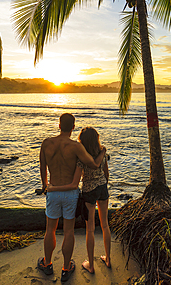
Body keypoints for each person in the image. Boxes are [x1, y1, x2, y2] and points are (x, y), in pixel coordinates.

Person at [37, 113, 105, 282]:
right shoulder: (75, 147)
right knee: (68, 231)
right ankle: (66, 268)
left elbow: (42, 167)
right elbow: (94, 164)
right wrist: (103, 152)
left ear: (59, 125)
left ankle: (47, 264)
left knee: (50, 230)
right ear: (73, 127)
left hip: (53, 191)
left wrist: (46, 186)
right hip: (70, 194)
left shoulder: (46, 143)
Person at [48, 126, 111, 274]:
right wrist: (102, 184)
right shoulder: (103, 153)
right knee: (105, 225)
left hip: (89, 191)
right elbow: (106, 174)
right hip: (102, 188)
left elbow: (75, 180)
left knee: (90, 229)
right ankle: (108, 259)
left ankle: (91, 264)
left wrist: (55, 187)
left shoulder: (81, 158)